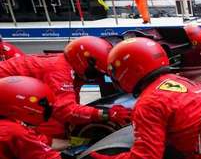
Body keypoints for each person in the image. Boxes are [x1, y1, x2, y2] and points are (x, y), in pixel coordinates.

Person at [0, 36, 131, 141]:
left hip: (11, 93)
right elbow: (65, 110)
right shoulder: (59, 70)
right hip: (6, 100)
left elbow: (70, 108)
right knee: (53, 132)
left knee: (60, 126)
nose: (97, 77)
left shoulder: (71, 69)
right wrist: (106, 113)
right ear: (84, 61)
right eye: (95, 72)